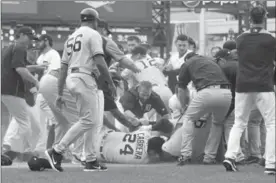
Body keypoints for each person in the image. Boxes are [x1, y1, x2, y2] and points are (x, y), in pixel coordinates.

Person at [45, 8, 116, 172]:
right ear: (95, 21)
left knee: (90, 120)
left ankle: (90, 160)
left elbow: (63, 67)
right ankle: (57, 150)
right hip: (85, 78)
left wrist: (60, 91)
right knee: (89, 120)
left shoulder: (70, 37)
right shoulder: (93, 34)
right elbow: (99, 60)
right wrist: (110, 82)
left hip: (72, 78)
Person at [223, 6, 276, 175]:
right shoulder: (271, 39)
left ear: (249, 18)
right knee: (271, 124)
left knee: (239, 123)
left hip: (243, 85)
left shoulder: (240, 39)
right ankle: (270, 163)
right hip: (264, 85)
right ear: (265, 17)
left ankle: (230, 156)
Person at [177, 52, 232, 165]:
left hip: (207, 91)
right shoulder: (210, 60)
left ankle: (185, 155)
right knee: (217, 123)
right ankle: (209, 157)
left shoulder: (188, 63)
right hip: (226, 92)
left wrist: (184, 106)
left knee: (188, 118)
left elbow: (181, 88)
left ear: (187, 59)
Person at [1, 27, 39, 164]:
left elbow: (17, 67)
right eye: (29, 37)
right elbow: (20, 69)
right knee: (25, 122)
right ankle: (29, 154)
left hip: (5, 90)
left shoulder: (8, 48)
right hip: (13, 90)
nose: (30, 41)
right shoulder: (20, 48)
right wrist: (35, 81)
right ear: (21, 35)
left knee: (19, 120)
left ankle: (9, 152)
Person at [122, 46, 173, 111]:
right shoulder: (156, 60)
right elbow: (162, 61)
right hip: (167, 91)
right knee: (166, 118)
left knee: (144, 118)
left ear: (138, 55)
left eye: (133, 55)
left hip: (152, 93)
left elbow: (123, 75)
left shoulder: (134, 64)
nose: (132, 57)